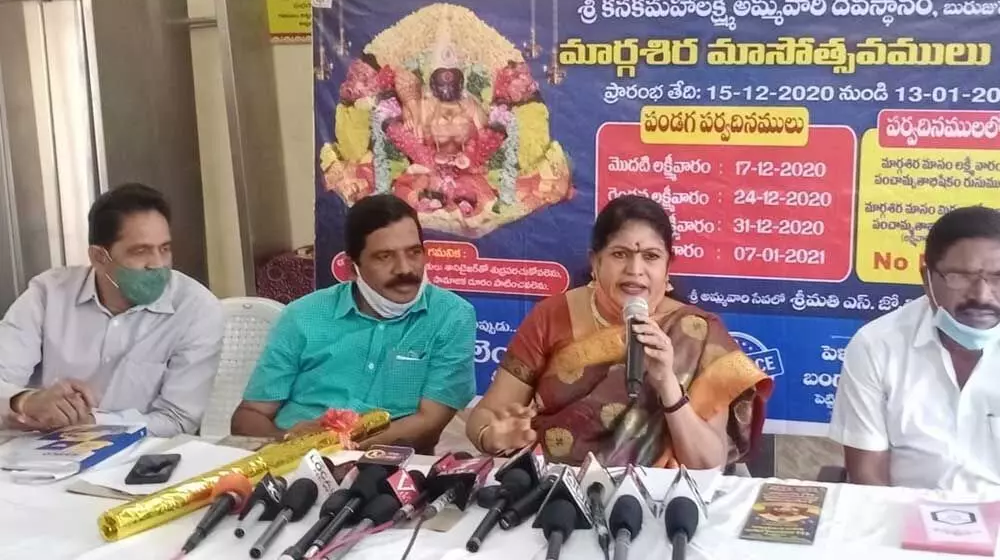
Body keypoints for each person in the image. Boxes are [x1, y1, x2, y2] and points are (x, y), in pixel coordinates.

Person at [465, 195, 772, 467]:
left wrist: (667, 383)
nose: (635, 270)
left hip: (657, 503)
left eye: (651, 256)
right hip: (556, 494)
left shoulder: (697, 333)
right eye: (620, 254)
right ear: (595, 262)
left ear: (668, 269)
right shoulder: (552, 316)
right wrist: (491, 436)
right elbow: (483, 416)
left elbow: (707, 463)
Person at [231, 194, 476, 453]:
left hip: (385, 466)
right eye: (384, 257)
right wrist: (287, 438)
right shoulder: (303, 316)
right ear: (351, 267)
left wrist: (335, 447)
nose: (405, 269)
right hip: (293, 459)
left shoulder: (451, 316)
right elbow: (249, 415)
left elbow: (429, 423)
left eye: (414, 252)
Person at [0, 184, 223, 436]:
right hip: (33, 457)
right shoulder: (48, 294)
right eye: (140, 251)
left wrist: (92, 423)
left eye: (164, 249)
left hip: (136, 460)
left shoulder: (196, 309)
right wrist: (27, 402)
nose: (158, 265)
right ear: (98, 257)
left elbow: (178, 420)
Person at [830, 205, 1000, 491]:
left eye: (998, 278)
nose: (981, 295)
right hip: (905, 521)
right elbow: (868, 478)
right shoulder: (876, 345)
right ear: (926, 277)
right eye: (960, 277)